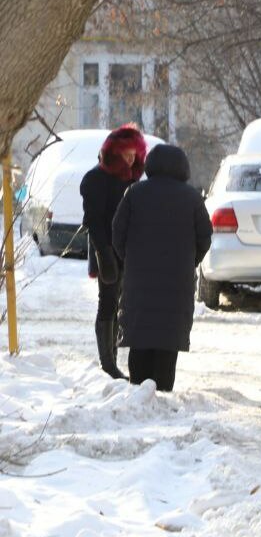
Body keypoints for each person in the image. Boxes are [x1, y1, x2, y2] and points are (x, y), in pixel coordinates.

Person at [112, 145, 212, 391]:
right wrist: (191, 261)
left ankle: (138, 395)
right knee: (167, 344)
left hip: (139, 282)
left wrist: (130, 260)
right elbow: (205, 237)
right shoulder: (192, 198)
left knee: (140, 339)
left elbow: (117, 232)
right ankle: (163, 398)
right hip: (177, 285)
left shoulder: (134, 193)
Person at [80, 124, 147, 379]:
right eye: (126, 153)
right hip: (105, 248)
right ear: (115, 152)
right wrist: (103, 254)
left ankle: (114, 361)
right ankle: (107, 364)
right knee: (107, 302)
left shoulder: (131, 179)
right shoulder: (95, 179)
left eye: (134, 153)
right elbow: (93, 221)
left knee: (121, 304)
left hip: (127, 250)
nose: (131, 158)